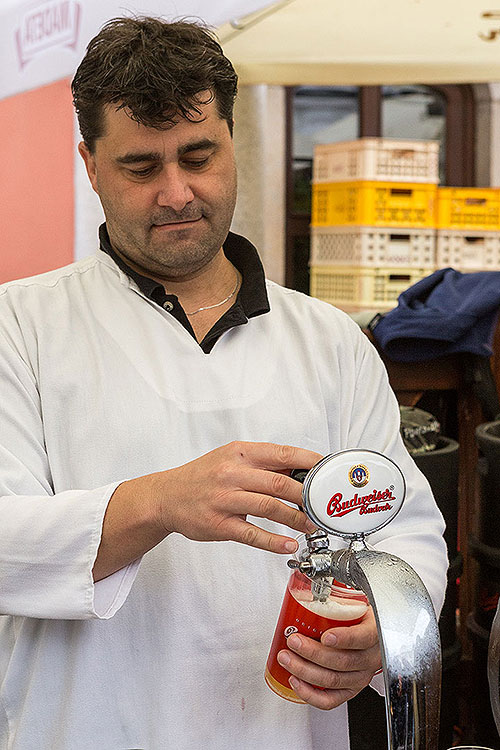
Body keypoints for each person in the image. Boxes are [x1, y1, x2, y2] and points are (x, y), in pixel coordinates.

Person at [0, 16, 447, 750]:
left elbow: (404, 530)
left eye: (199, 155)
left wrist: (382, 630)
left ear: (232, 141)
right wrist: (157, 502)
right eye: (142, 167)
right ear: (90, 164)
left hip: (284, 732)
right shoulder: (19, 327)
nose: (177, 192)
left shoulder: (329, 341)